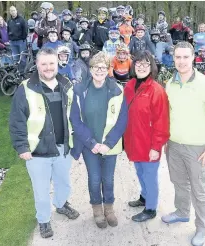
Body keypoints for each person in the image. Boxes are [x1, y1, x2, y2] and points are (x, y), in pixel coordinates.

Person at [9, 47, 79, 239]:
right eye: (44, 64)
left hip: (62, 148)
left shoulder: (66, 85)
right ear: (37, 65)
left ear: (57, 64)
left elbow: (75, 116)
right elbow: (16, 120)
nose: (48, 68)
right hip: (37, 151)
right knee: (41, 190)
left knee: (63, 182)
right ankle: (44, 220)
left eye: (51, 63)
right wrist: (22, 146)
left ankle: (61, 204)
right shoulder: (26, 88)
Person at [162, 42, 205, 246]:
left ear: (193, 58)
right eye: (178, 57)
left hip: (198, 148)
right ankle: (181, 212)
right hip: (174, 144)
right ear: (174, 58)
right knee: (179, 183)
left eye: (185, 57)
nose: (181, 61)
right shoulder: (170, 83)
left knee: (199, 190)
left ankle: (202, 229)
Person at [69, 51, 128, 229]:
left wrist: (108, 144)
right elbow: (75, 120)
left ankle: (109, 208)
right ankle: (97, 209)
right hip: (90, 145)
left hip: (110, 145)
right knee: (95, 179)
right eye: (96, 67)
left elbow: (122, 119)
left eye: (103, 67)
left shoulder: (117, 90)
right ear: (90, 68)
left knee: (108, 179)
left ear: (108, 69)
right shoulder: (80, 90)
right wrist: (92, 143)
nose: (100, 70)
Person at [124, 50, 170, 222]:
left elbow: (162, 122)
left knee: (150, 176)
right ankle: (144, 197)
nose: (141, 67)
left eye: (145, 64)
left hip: (149, 143)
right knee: (140, 172)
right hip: (134, 140)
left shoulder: (157, 90)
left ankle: (151, 208)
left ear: (152, 67)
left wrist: (156, 147)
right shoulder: (129, 86)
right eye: (138, 64)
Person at [7, 6, 28, 71]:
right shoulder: (9, 21)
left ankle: (22, 72)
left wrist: (23, 38)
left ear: (16, 11)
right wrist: (10, 38)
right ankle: (17, 71)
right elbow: (8, 30)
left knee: (22, 58)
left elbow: (25, 30)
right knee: (15, 57)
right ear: (10, 12)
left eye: (14, 10)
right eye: (11, 11)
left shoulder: (21, 20)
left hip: (21, 41)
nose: (13, 12)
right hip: (12, 42)